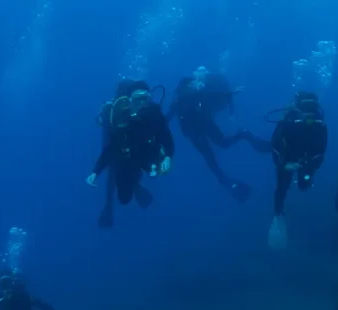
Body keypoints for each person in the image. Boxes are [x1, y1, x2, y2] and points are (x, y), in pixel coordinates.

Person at [167, 66, 270, 203]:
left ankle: (244, 134)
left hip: (207, 125)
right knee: (209, 156)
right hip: (194, 132)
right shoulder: (178, 99)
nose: (199, 84)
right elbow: (167, 117)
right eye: (194, 83)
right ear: (186, 86)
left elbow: (217, 95)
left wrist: (231, 93)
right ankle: (224, 180)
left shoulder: (200, 94)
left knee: (223, 145)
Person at [87, 79, 175, 228]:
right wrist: (96, 171)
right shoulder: (121, 116)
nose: (141, 103)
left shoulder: (154, 113)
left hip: (145, 155)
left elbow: (167, 138)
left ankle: (137, 180)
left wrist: (167, 156)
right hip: (124, 157)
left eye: (145, 98)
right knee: (124, 199)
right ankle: (133, 185)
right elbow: (110, 148)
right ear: (129, 100)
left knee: (151, 171)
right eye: (137, 99)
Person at [268, 91, 328, 249]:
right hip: (287, 159)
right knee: (281, 188)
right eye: (305, 107)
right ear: (298, 107)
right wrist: (282, 164)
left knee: (304, 185)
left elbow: (321, 151)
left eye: (311, 107)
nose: (308, 111)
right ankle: (278, 214)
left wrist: (308, 165)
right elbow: (274, 144)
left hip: (305, 161)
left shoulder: (319, 123)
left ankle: (282, 211)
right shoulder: (288, 120)